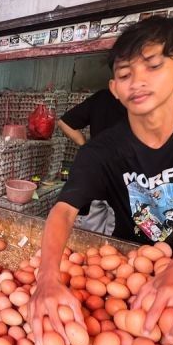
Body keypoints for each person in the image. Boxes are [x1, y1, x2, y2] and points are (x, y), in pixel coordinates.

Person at [29, 16, 173, 345]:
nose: (137, 81)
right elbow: (64, 210)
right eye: (125, 74)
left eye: (153, 66)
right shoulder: (103, 151)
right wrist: (47, 278)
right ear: (114, 90)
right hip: (132, 273)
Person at [56, 89, 126, 235]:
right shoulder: (143, 101)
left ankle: (95, 253)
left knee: (94, 222)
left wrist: (87, 147)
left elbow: (64, 123)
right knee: (118, 227)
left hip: (98, 170)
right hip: (124, 172)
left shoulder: (102, 97)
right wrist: (88, 148)